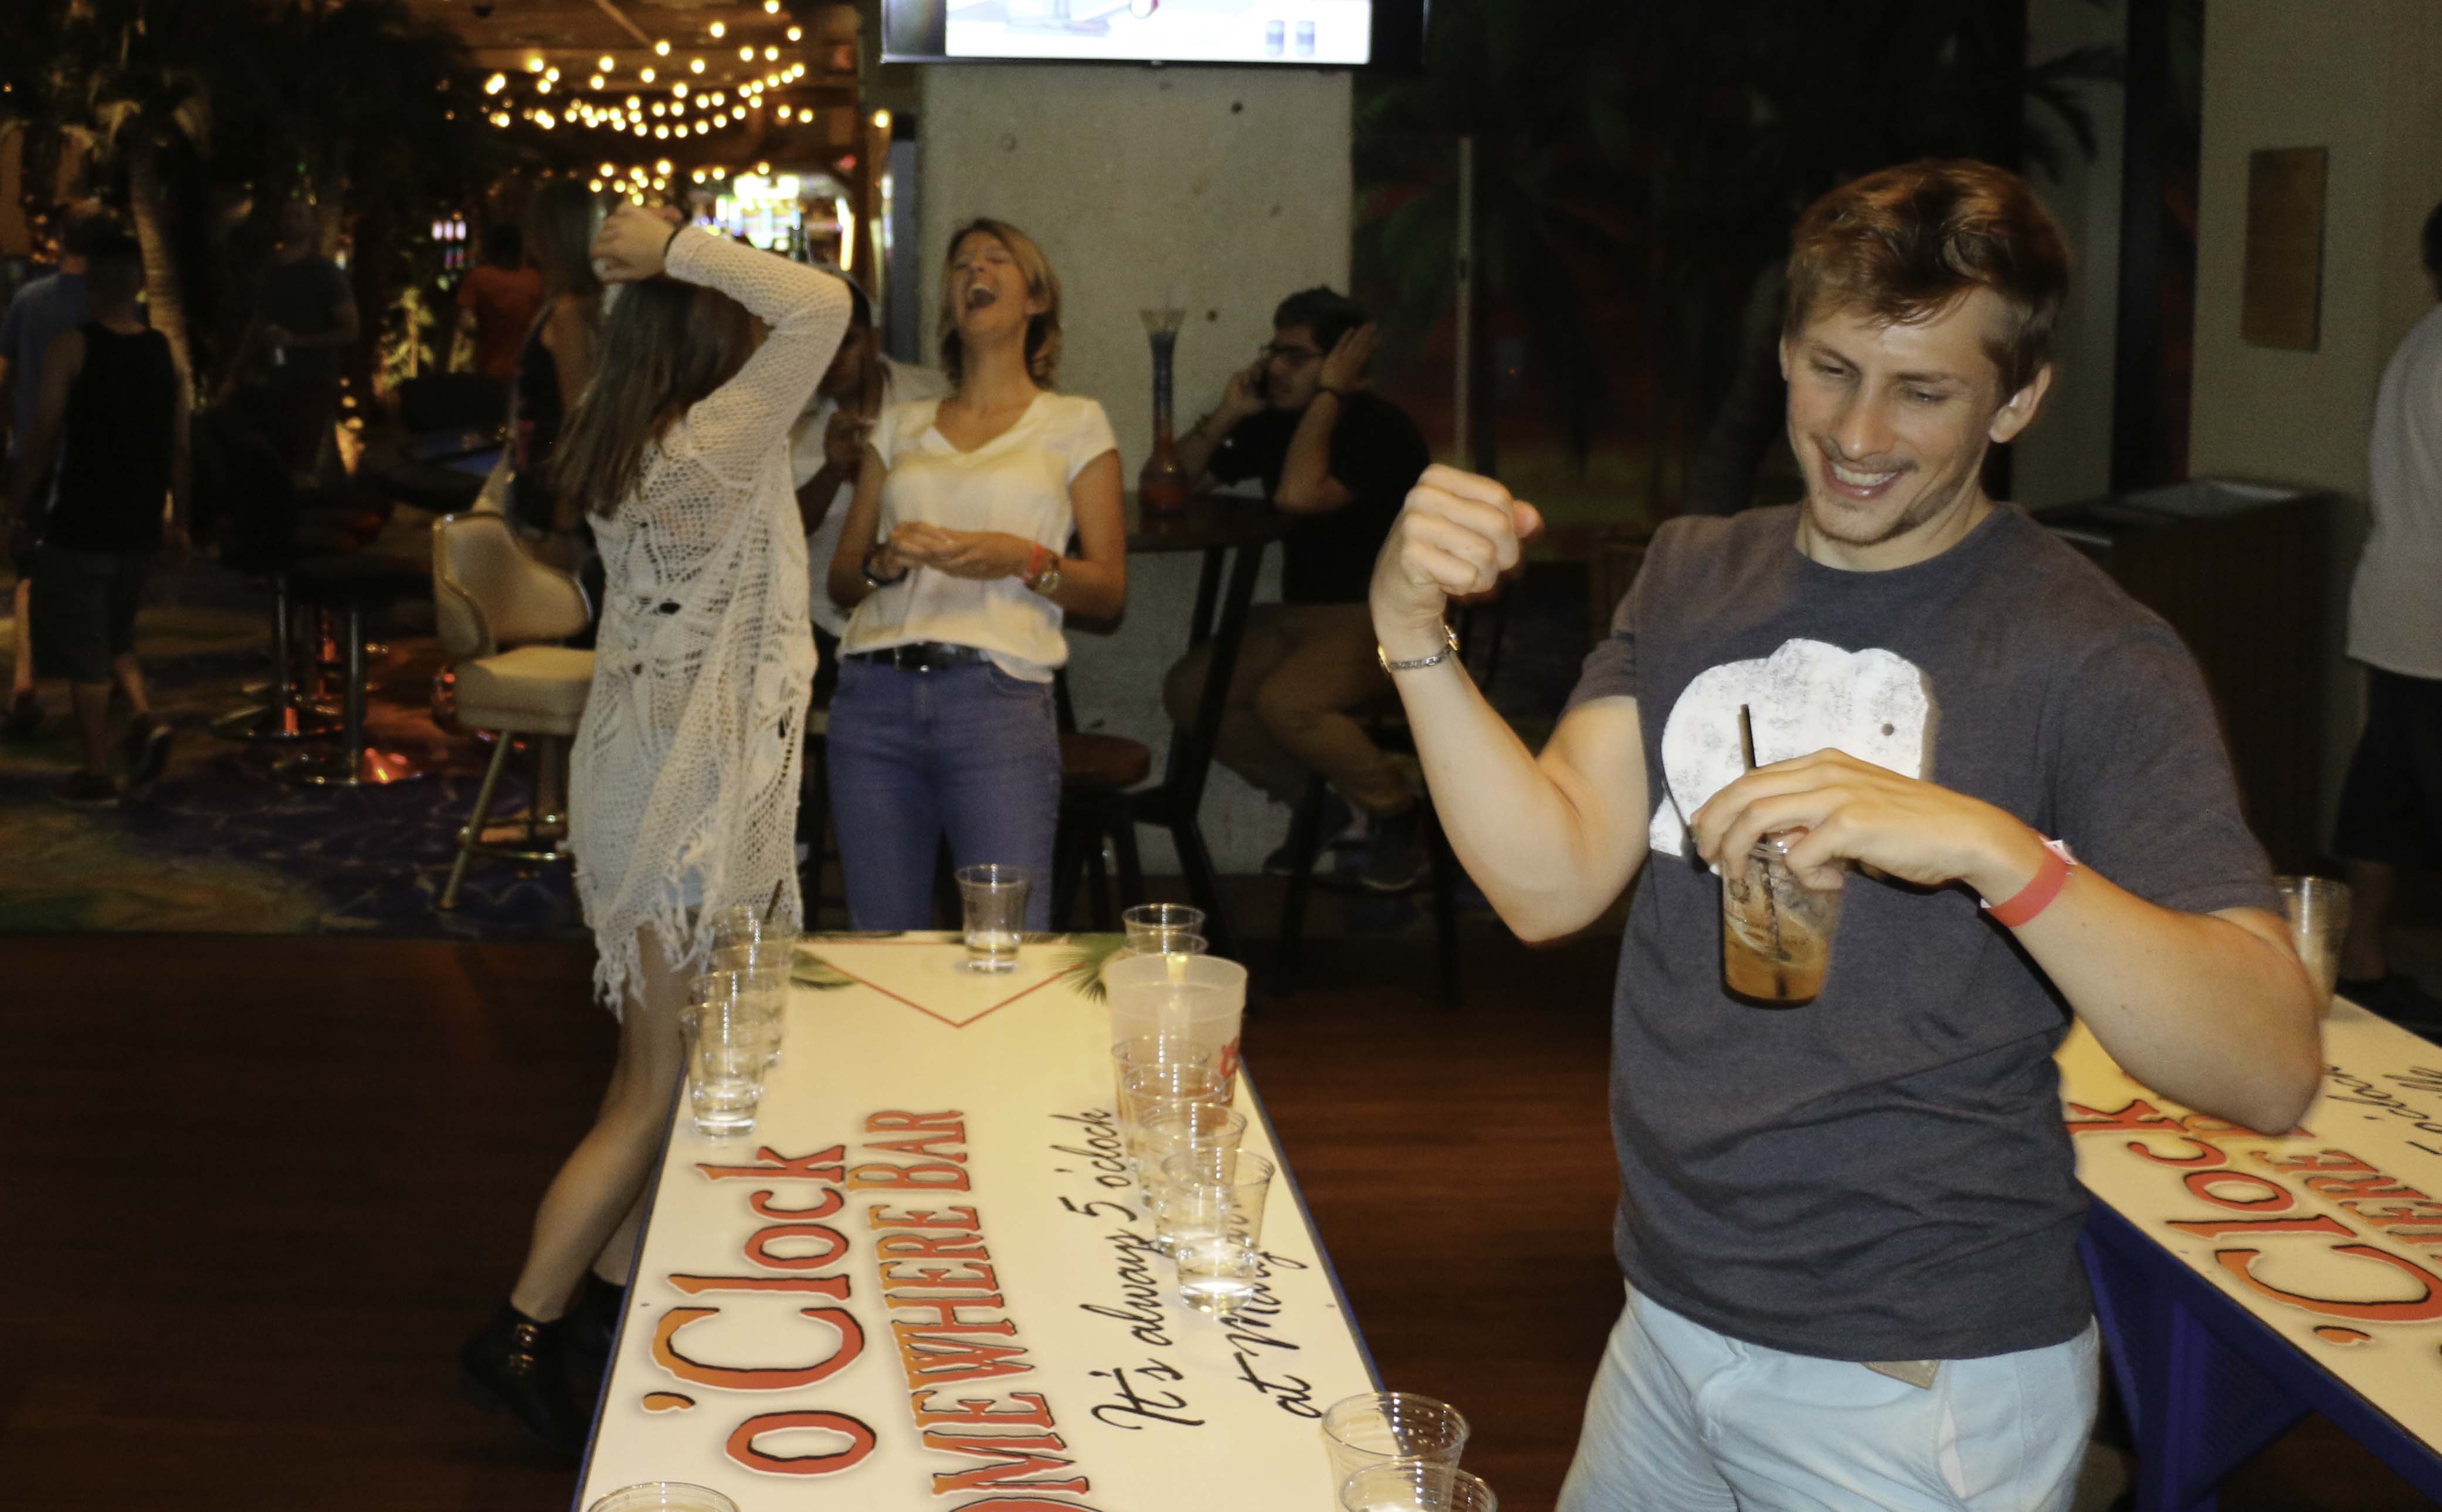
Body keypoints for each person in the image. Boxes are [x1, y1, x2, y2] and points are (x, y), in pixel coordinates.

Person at [1370, 160, 2322, 1510]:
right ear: (1781, 355)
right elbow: (1543, 882)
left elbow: (2267, 1065)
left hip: (1913, 1379)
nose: (1856, 432)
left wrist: (1997, 850)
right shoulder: (1694, 566)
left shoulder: (2091, 650)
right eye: (1826, 370)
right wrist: (1410, 636)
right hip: (1666, 1320)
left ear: (2018, 397)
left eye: (1922, 390)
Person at [457, 205, 852, 1454]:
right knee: (653, 1081)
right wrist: (680, 242)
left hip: (648, 779)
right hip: (678, 801)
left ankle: (606, 1313)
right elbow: (825, 306)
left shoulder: (638, 441)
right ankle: (519, 1323)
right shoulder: (720, 439)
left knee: (660, 1073)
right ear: (708, 340)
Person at [823, 218, 1126, 932]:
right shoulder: (900, 424)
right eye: (961, 264)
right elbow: (843, 579)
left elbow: (1109, 592)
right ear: (951, 306)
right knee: (884, 943)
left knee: (1008, 941)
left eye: (996, 260)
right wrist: (884, 562)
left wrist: (1023, 561)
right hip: (873, 696)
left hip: (996, 698)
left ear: (1035, 300)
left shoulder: (1075, 423)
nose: (973, 271)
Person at [1165, 286, 1432, 889]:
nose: (1273, 368)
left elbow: (1297, 496)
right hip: (1298, 614)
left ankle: (1398, 810)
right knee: (1190, 692)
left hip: (1384, 620)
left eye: (1294, 356)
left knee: (1289, 702)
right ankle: (1316, 805)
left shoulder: (1380, 428)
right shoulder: (1281, 421)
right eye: (1273, 351)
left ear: (1341, 361)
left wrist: (1333, 392)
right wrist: (1230, 413)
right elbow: (1170, 485)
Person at [2, 234, 188, 807]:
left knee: (84, 646)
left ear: (89, 285)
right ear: (136, 284)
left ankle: (95, 769)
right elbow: (180, 445)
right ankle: (145, 720)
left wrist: (14, 506)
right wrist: (181, 517)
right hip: (138, 515)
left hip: (82, 511)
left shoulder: (73, 347)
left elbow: (43, 435)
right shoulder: (164, 352)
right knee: (115, 630)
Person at [2332, 198, 2442, 1031]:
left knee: (2385, 796)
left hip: (2399, 608)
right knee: (2404, 798)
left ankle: (2362, 958)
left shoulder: (2421, 341)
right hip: (2433, 620)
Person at [789, 269, 951, 695]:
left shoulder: (933, 397)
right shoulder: (786, 418)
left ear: (874, 339)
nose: (833, 358)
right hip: (817, 622)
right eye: (818, 345)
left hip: (921, 611)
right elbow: (779, 530)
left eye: (846, 342)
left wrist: (876, 474)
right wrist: (831, 469)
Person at [1, 202, 117, 738]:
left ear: (61, 240)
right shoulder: (108, 303)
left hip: (31, 452)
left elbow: (5, 369)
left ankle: (25, 684)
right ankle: (101, 684)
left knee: (30, 573)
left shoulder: (27, 300)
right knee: (97, 571)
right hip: (93, 456)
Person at [508, 182, 605, 571]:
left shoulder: (569, 314)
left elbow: (581, 419)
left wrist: (564, 519)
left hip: (555, 499)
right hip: (547, 487)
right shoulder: (572, 307)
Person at [229, 198, 358, 483]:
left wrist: (297, 342)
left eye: (300, 216)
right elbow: (259, 320)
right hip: (273, 378)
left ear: (312, 226)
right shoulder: (271, 269)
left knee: (300, 465)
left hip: (311, 381)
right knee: (272, 461)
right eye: (287, 216)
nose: (292, 222)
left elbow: (350, 330)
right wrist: (238, 369)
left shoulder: (324, 273)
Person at [453, 222, 545, 385]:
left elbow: (466, 324)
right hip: (527, 373)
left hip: (490, 372)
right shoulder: (534, 280)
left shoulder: (479, 278)